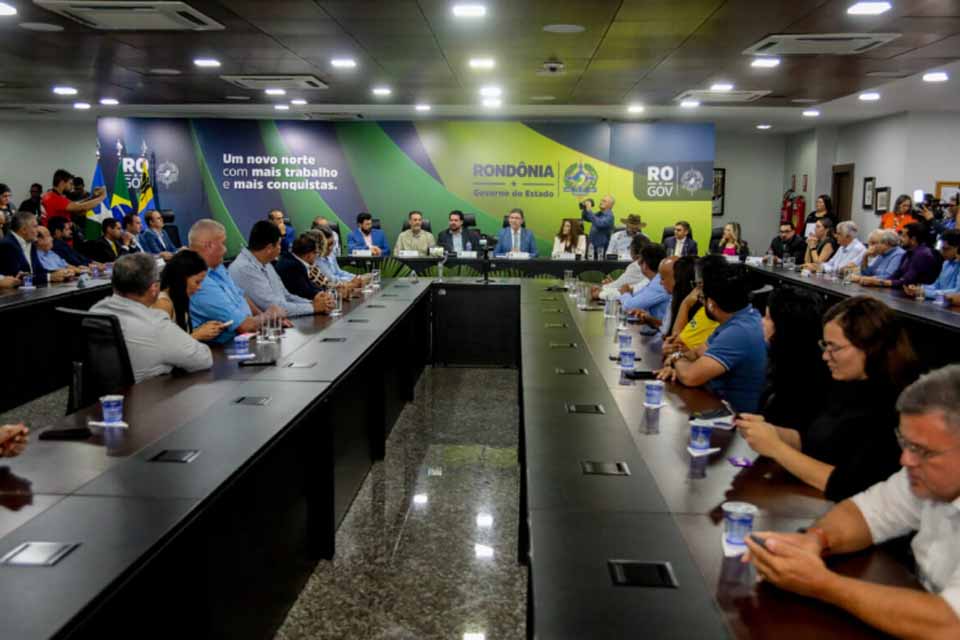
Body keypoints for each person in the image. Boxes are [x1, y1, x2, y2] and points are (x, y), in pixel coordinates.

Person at [743, 365, 960, 640]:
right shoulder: (922, 476)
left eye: (921, 450)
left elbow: (949, 624)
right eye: (905, 443)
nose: (906, 460)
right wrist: (815, 541)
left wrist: (822, 584)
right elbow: (863, 513)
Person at [737, 296, 920, 501]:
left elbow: (851, 485)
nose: (825, 356)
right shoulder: (844, 385)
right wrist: (774, 433)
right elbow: (816, 442)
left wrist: (776, 448)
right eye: (825, 346)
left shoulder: (894, 409)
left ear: (871, 347)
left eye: (835, 348)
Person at [657, 256, 767, 413]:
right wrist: (677, 362)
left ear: (711, 304)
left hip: (732, 419)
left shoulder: (738, 332)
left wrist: (675, 357)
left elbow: (689, 376)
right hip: (714, 403)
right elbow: (695, 353)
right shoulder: (741, 317)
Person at [90, 253, 212, 383]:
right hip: (146, 397)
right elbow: (204, 359)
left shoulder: (95, 311)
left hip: (103, 400)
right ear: (154, 288)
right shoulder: (155, 323)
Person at [756, 286, 830, 433]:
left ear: (784, 326)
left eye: (768, 318)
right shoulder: (785, 356)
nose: (761, 322)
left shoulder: (804, 375)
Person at [228, 220, 334, 317]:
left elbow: (286, 296)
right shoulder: (245, 269)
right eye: (279, 244)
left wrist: (313, 303)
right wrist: (313, 307)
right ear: (269, 248)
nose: (280, 248)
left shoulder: (266, 263)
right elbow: (274, 307)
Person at [188, 218, 267, 344]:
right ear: (209, 245)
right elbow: (243, 326)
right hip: (221, 351)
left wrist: (262, 317)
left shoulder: (217, 266)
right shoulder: (199, 281)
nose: (226, 250)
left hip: (244, 338)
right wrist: (271, 317)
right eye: (223, 243)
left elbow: (240, 296)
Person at [153, 249, 225, 342]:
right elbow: (161, 346)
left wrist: (202, 330)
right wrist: (196, 335)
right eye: (197, 282)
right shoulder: (162, 303)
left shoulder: (180, 298)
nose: (199, 287)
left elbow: (179, 335)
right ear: (181, 278)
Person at [663, 257, 719, 355]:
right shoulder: (703, 310)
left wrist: (685, 304)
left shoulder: (714, 314)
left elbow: (676, 348)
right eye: (696, 285)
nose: (697, 291)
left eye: (699, 285)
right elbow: (676, 343)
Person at [857, 222, 939, 289]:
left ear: (913, 239)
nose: (900, 239)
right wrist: (874, 280)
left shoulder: (922, 255)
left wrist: (878, 282)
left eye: (903, 236)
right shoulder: (909, 253)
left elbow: (906, 281)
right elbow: (895, 275)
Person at [619, 243, 669, 323]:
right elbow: (637, 297)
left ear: (645, 265)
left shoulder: (659, 284)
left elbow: (628, 306)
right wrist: (628, 293)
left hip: (660, 332)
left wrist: (625, 293)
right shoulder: (655, 280)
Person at [904, 228, 960, 300]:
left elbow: (957, 292)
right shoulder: (946, 263)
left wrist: (925, 292)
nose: (942, 252)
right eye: (942, 248)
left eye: (946, 249)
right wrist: (919, 288)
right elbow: (936, 285)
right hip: (941, 303)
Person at [40, 169, 106, 227]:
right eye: (70, 184)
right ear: (62, 183)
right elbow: (80, 207)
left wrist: (92, 197)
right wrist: (102, 197)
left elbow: (75, 204)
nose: (72, 187)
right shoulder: (55, 198)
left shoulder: (50, 195)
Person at [594, 233, 650, 301]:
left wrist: (602, 289)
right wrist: (613, 283)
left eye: (630, 248)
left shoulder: (636, 266)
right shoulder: (646, 265)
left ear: (633, 251)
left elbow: (621, 288)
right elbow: (625, 286)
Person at [276, 232, 329, 300]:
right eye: (316, 252)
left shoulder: (291, 259)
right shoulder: (293, 267)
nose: (317, 256)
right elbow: (305, 292)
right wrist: (327, 293)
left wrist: (325, 291)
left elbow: (310, 286)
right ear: (308, 255)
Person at [0, 211, 48, 281]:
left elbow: (39, 270)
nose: (38, 230)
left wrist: (58, 274)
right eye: (35, 226)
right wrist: (49, 277)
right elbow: (18, 276)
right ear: (24, 230)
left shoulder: (31, 243)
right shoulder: (7, 245)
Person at [314, 224, 363, 289]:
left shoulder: (331, 254)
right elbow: (331, 279)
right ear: (319, 245)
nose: (331, 248)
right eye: (328, 245)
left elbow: (339, 272)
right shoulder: (316, 259)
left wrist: (356, 277)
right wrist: (352, 281)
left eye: (332, 244)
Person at [580, 195, 615, 259]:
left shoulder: (609, 216)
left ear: (610, 205)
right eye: (601, 200)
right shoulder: (599, 214)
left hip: (601, 252)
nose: (601, 202)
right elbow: (587, 218)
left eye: (604, 201)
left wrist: (589, 210)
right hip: (592, 250)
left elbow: (599, 223)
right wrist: (585, 209)